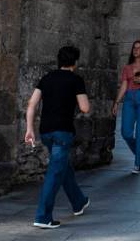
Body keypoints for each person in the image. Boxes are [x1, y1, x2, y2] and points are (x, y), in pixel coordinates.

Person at [25, 46, 91, 229]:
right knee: (55, 173)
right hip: (63, 132)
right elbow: (85, 108)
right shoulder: (76, 79)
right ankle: (43, 216)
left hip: (45, 131)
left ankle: (79, 202)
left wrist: (29, 129)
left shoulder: (46, 78)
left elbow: (32, 104)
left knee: (63, 168)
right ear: (75, 62)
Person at [111, 40, 140, 174]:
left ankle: (137, 163)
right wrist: (116, 102)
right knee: (125, 132)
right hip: (129, 99)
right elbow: (124, 86)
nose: (136, 50)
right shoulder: (127, 68)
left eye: (138, 48)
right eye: (134, 48)